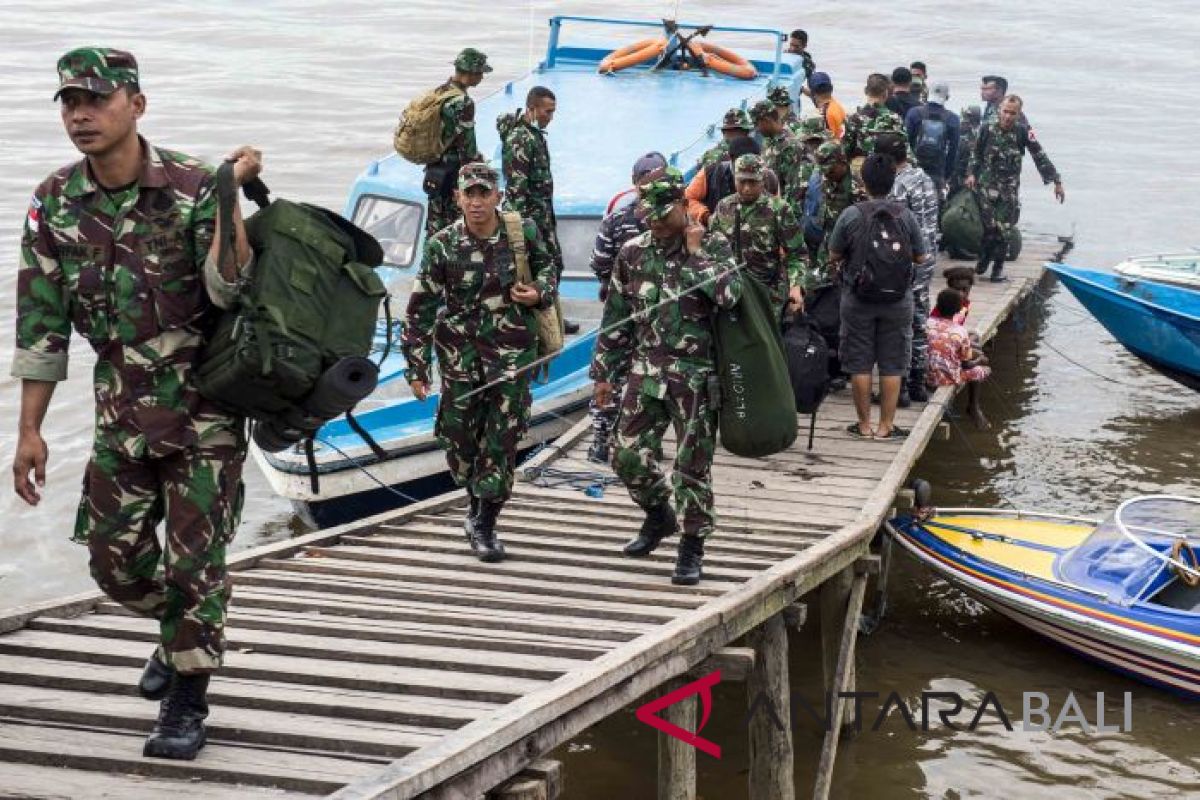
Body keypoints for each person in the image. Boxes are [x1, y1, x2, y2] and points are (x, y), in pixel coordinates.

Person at [11, 47, 262, 760]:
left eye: (95, 99)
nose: (80, 114)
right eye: (68, 102)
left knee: (194, 565)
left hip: (204, 410)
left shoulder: (190, 185)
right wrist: (28, 431)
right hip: (120, 409)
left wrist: (226, 195)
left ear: (137, 105)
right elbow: (41, 324)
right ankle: (181, 633)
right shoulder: (55, 200)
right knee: (112, 562)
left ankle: (188, 698)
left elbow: (229, 290)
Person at [590, 169, 743, 586]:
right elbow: (617, 318)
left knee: (692, 466)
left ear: (682, 206)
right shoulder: (633, 252)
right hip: (646, 371)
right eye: (648, 213)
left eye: (662, 213)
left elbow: (730, 297)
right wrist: (604, 373)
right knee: (625, 455)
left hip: (695, 377)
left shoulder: (712, 245)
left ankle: (692, 547)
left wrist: (696, 257)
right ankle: (659, 515)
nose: (654, 221)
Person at [401, 163, 558, 563]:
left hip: (510, 358)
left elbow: (549, 270)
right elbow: (420, 309)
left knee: (502, 440)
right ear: (457, 198)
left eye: (482, 193)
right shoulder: (442, 245)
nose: (475, 202)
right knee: (459, 442)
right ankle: (475, 505)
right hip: (459, 360)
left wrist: (538, 291)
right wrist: (417, 368)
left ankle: (486, 523)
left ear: (496, 196)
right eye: (468, 194)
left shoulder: (522, 234)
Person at [828, 153, 931, 439]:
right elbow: (921, 257)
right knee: (893, 362)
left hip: (857, 298)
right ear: (893, 180)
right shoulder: (905, 215)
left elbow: (834, 254)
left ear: (863, 181)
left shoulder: (851, 214)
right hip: (898, 300)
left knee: (859, 361)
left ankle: (863, 426)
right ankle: (886, 426)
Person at [585, 152, 668, 463]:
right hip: (642, 314)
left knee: (619, 372)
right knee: (625, 374)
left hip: (632, 313)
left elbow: (599, 263)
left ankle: (606, 440)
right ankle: (621, 438)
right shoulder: (665, 222)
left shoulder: (618, 220)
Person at [498, 85, 579, 334]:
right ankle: (541, 318)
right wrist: (521, 230)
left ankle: (551, 313)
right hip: (530, 221)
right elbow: (516, 188)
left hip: (542, 216)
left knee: (554, 264)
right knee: (541, 266)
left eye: (553, 112)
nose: (550, 118)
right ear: (532, 109)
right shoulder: (520, 139)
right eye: (547, 112)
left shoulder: (534, 134)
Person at [966, 94, 1064, 281]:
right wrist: (971, 174)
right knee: (989, 229)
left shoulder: (1023, 132)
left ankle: (997, 270)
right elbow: (976, 154)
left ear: (1019, 114)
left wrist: (1056, 181)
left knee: (1004, 230)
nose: (1008, 116)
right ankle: (984, 259)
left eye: (1013, 113)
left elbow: (1039, 155)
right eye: (1005, 111)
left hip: (1008, 190)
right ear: (999, 110)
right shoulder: (986, 128)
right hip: (986, 187)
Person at [877, 133, 939, 407]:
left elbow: (895, 229)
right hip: (928, 258)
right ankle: (918, 382)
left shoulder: (897, 187)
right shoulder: (924, 178)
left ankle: (900, 386)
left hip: (907, 261)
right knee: (920, 317)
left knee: (900, 322)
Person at [709, 153, 807, 315]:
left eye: (753, 182)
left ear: (762, 180)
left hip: (767, 295)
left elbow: (797, 255)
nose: (746, 188)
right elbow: (712, 250)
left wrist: (796, 286)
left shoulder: (778, 209)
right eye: (742, 181)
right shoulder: (723, 207)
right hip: (731, 295)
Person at [423, 48, 490, 237]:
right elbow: (468, 150)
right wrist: (480, 164)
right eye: (481, 73)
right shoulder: (464, 102)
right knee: (456, 230)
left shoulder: (440, 92)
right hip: (453, 174)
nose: (482, 78)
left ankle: (432, 263)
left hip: (435, 171)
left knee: (435, 225)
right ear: (471, 73)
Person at [927, 288, 991, 429]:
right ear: (958, 310)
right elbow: (966, 363)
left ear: (937, 306)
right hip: (943, 378)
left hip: (923, 375)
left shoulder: (927, 323)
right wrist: (980, 359)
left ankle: (973, 408)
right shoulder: (960, 331)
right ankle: (973, 406)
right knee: (983, 370)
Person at [685, 135, 777, 226]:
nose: (746, 187)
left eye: (752, 180)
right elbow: (687, 198)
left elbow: (776, 206)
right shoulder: (710, 173)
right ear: (731, 158)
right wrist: (706, 216)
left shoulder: (769, 178)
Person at [905, 81, 960, 202]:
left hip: (914, 169)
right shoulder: (953, 119)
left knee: (912, 205)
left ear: (928, 94)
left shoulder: (914, 113)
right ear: (947, 97)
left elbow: (905, 142)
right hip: (937, 171)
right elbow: (953, 151)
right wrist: (946, 175)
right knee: (934, 208)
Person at [750, 99, 806, 208]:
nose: (756, 129)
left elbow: (794, 188)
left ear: (767, 120)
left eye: (757, 124)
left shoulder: (790, 146)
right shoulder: (769, 139)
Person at [842, 73, 906, 160]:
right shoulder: (895, 118)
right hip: (888, 168)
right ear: (886, 93)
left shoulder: (854, 119)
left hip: (863, 169)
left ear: (865, 91)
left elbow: (845, 150)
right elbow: (905, 150)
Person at [694, 107, 753, 172]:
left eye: (747, 132)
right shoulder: (719, 157)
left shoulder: (746, 149)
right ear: (726, 133)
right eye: (744, 131)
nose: (747, 135)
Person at [949, 105, 982, 195]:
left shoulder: (976, 135)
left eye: (967, 119)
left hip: (965, 177)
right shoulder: (968, 134)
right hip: (960, 175)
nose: (964, 122)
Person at [808, 71, 846, 139]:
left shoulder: (826, 114)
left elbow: (830, 140)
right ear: (831, 88)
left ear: (814, 93)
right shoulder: (835, 105)